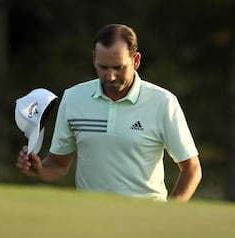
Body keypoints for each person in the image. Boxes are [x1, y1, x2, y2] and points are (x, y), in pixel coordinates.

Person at [16, 23, 202, 202]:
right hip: (91, 219)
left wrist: (169, 214)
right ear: (94, 59)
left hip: (146, 219)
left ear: (135, 60)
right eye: (103, 67)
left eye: (118, 67)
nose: (110, 76)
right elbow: (57, 165)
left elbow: (191, 169)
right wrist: (39, 169)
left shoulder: (163, 102)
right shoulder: (73, 98)